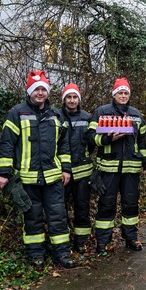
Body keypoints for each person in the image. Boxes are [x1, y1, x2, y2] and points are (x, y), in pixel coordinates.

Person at [0, 70, 74, 269]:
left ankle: (62, 255)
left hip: (53, 178)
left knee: (58, 217)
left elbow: (63, 146)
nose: (40, 93)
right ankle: (36, 255)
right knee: (33, 218)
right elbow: (7, 144)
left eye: (43, 89)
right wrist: (4, 173)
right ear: (29, 91)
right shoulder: (17, 113)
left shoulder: (56, 115)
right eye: (36, 89)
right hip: (28, 179)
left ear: (48, 92)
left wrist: (66, 169)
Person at [86, 78, 146, 255]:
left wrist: (144, 160)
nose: (123, 96)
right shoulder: (101, 112)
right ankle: (102, 241)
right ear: (114, 95)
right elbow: (90, 137)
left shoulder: (136, 114)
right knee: (106, 205)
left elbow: (143, 139)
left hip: (131, 169)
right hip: (109, 168)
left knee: (131, 205)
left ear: (129, 95)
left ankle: (130, 238)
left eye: (126, 93)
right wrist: (107, 139)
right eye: (120, 93)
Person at [57, 83, 95, 253]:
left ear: (79, 99)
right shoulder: (55, 116)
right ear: (64, 99)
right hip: (60, 173)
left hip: (82, 172)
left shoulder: (87, 117)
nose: (72, 101)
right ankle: (63, 242)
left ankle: (81, 241)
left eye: (75, 97)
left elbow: (92, 144)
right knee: (60, 209)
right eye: (69, 97)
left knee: (82, 208)